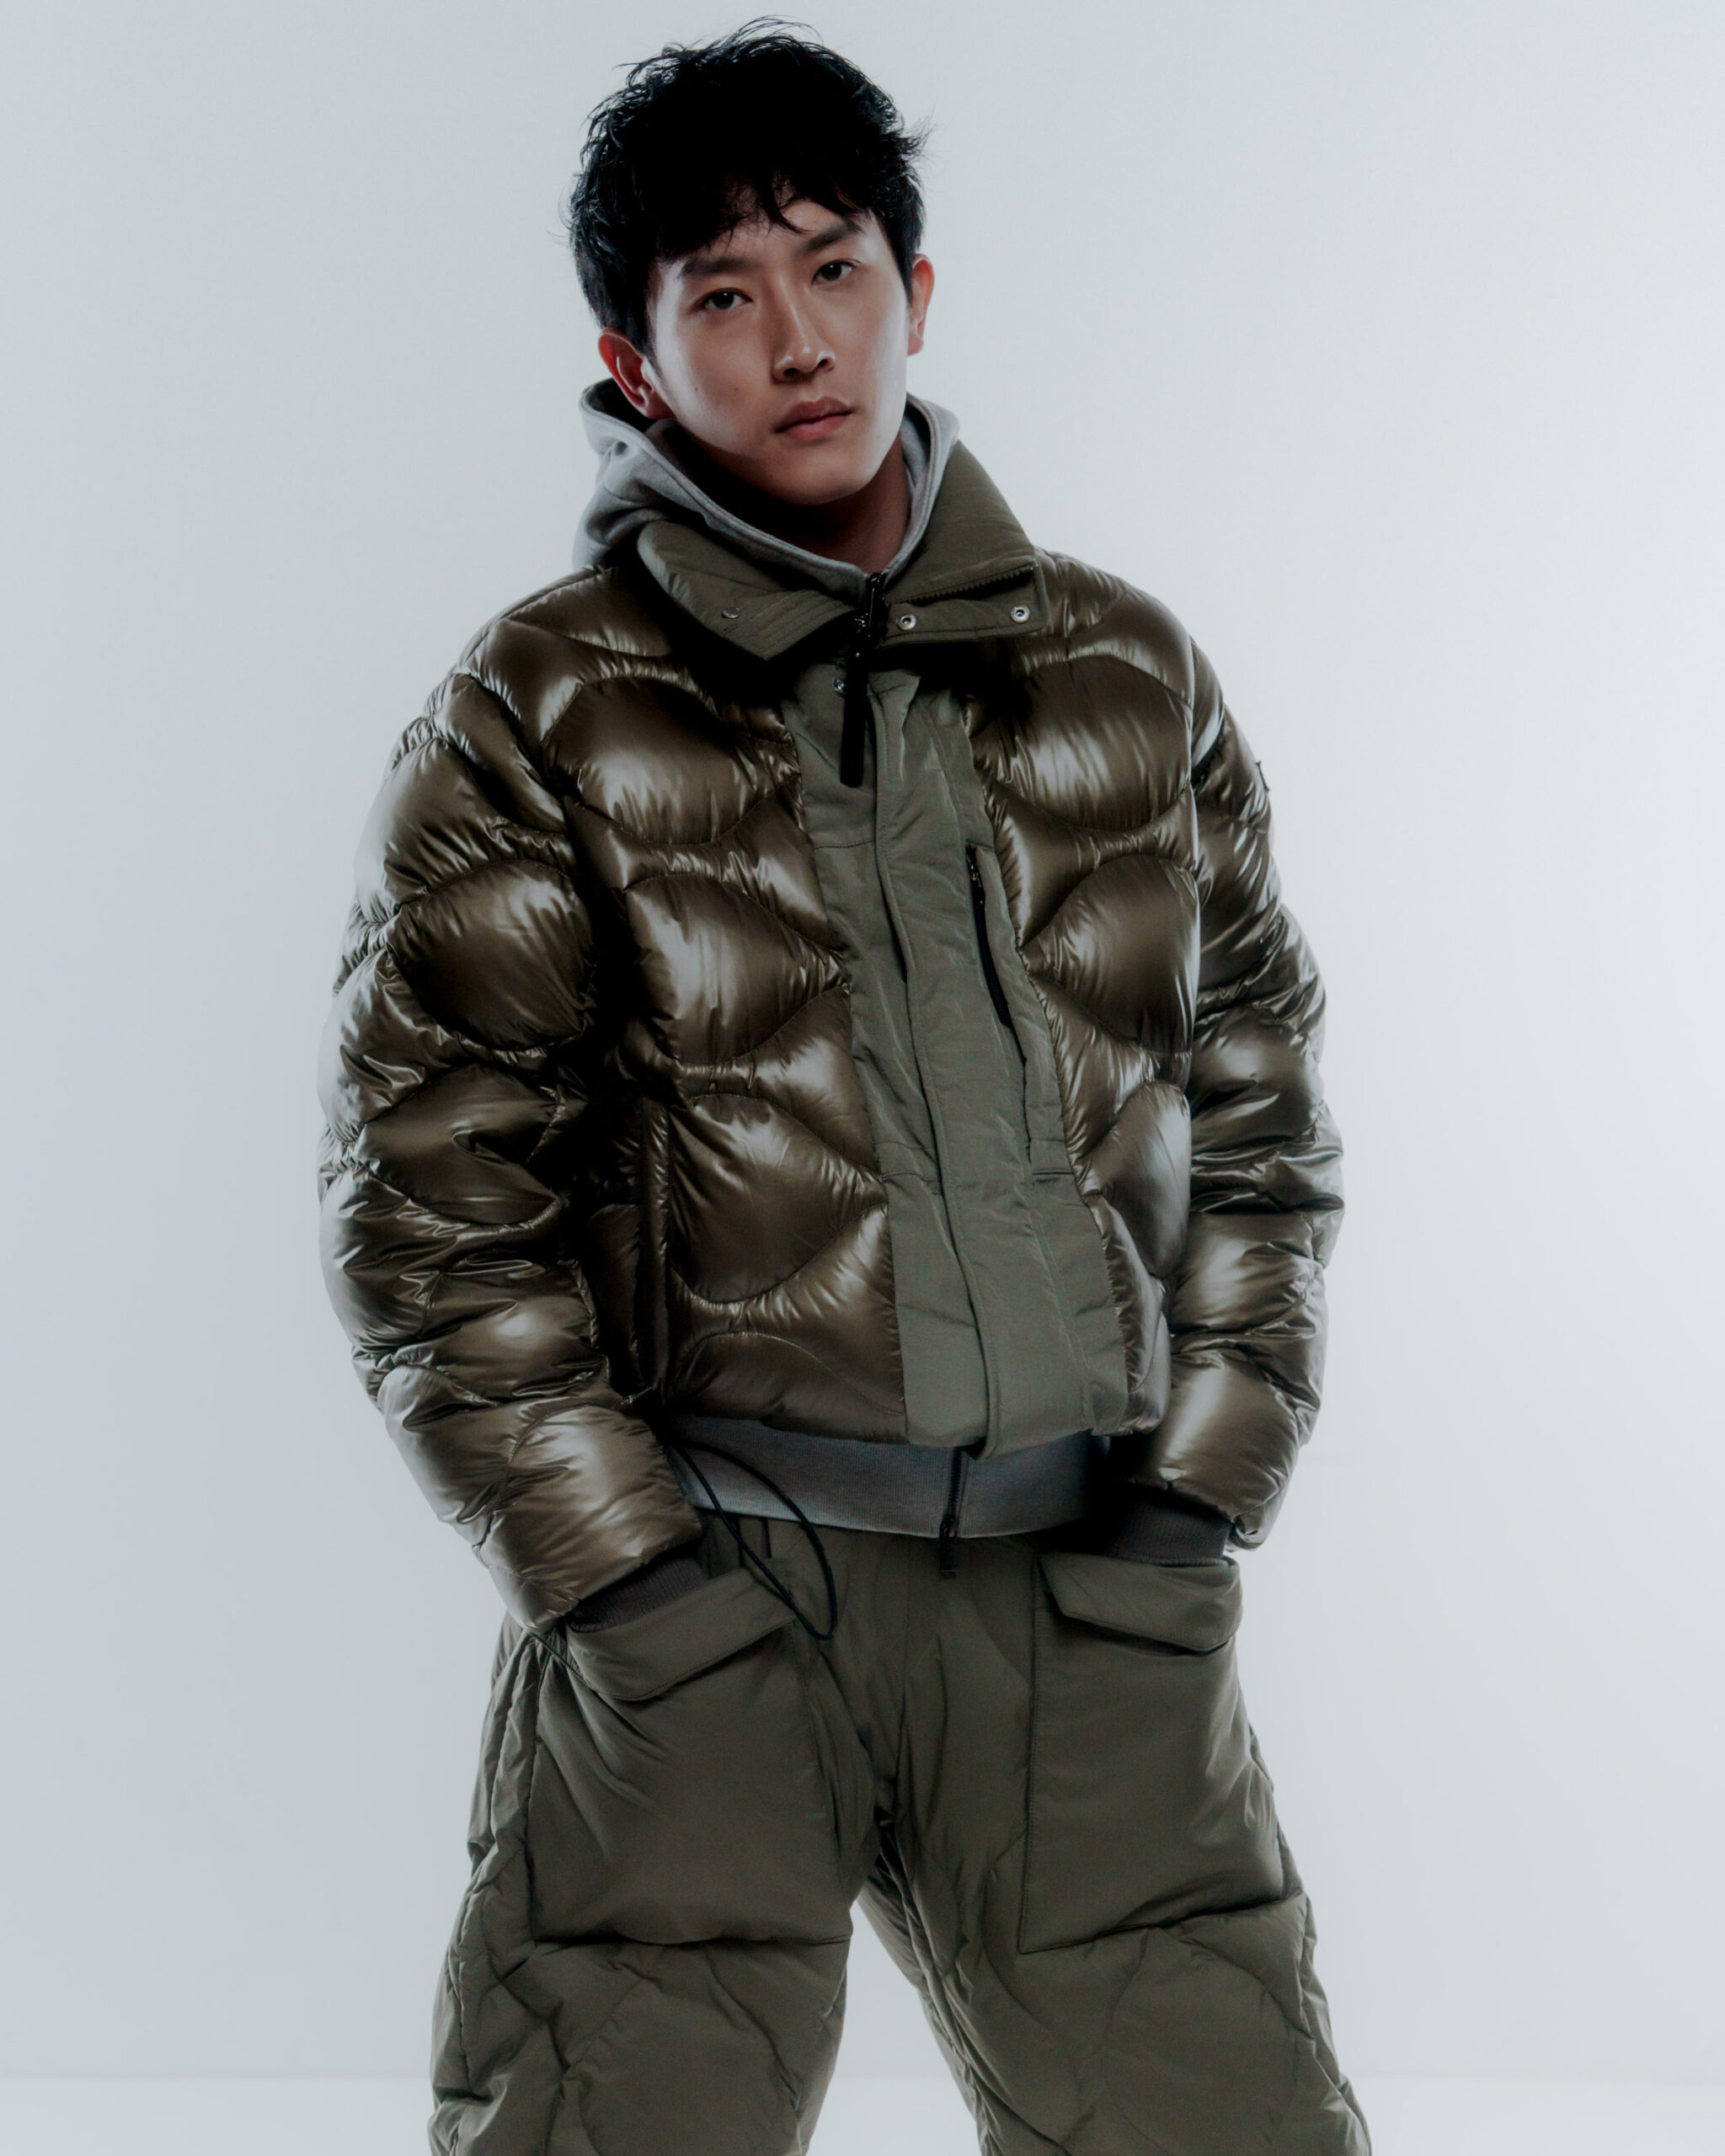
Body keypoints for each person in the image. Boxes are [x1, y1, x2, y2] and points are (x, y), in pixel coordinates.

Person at [318, 25, 1369, 2155]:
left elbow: (1260, 1127)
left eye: (832, 265)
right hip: (711, 1597)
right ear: (632, 361)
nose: (796, 338)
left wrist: (1192, 1503)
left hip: (1088, 1595)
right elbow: (434, 1210)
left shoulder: (1124, 673)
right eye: (720, 292)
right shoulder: (537, 710)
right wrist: (632, 1592)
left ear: (916, 288)